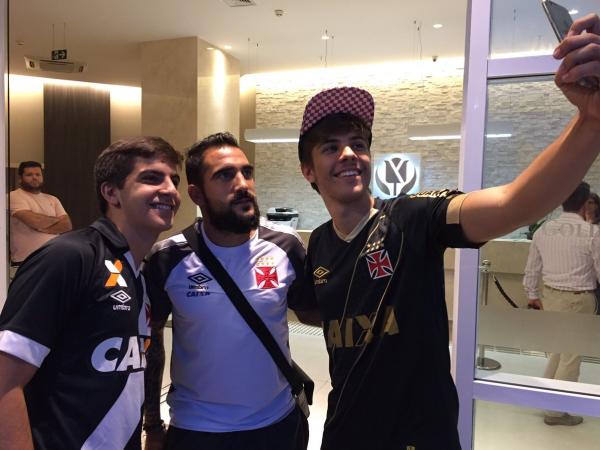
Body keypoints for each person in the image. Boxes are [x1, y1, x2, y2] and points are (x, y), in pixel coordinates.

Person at [294, 14, 600, 450]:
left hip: (419, 437)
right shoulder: (321, 243)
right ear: (308, 170)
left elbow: (514, 204)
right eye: (330, 147)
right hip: (345, 431)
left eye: (358, 144)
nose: (349, 154)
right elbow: (316, 311)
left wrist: (590, 121)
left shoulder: (412, 218)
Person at [0, 137, 182, 450]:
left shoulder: (137, 273)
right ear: (111, 193)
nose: (170, 190)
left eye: (173, 180)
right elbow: (4, 381)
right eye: (152, 178)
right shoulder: (70, 257)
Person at [143, 132, 310, 450]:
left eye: (247, 172)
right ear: (197, 194)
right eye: (224, 175)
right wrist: (152, 424)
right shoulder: (167, 258)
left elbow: (313, 312)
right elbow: (150, 345)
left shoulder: (286, 245)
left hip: (277, 424)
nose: (243, 184)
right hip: (197, 430)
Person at [523, 182, 599, 425]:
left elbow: (532, 269)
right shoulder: (591, 233)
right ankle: (556, 411)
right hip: (578, 299)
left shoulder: (543, 230)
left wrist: (532, 295)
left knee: (558, 351)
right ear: (585, 203)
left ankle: (546, 399)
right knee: (570, 357)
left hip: (551, 297)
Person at [9, 161, 72, 266]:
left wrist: (43, 227)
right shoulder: (13, 196)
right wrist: (56, 220)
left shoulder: (52, 199)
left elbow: (67, 225)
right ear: (20, 178)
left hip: (54, 256)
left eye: (38, 174)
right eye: (29, 175)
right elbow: (35, 221)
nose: (34, 177)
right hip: (27, 260)